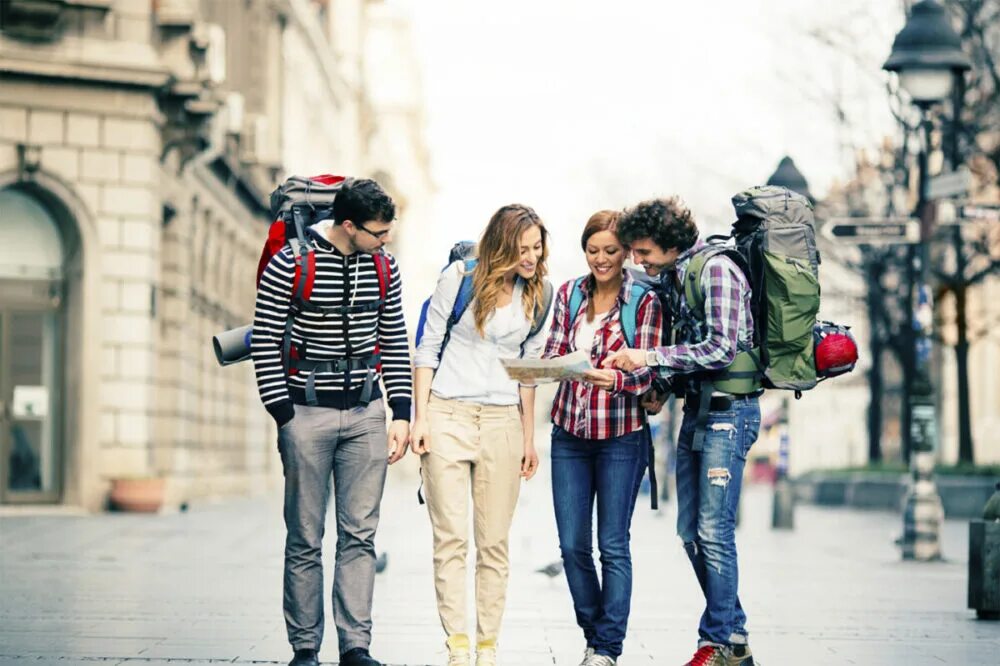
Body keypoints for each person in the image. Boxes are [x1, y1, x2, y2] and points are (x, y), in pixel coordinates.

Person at [251, 178, 412, 666]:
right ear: (348, 225)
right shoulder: (291, 264)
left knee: (360, 535)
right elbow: (264, 340)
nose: (385, 241)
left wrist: (401, 412)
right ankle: (304, 648)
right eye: (378, 233)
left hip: (366, 413)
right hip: (306, 413)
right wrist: (285, 416)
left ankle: (355, 646)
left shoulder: (385, 268)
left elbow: (395, 340)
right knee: (304, 537)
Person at [607, 197, 761, 666]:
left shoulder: (715, 270)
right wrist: (663, 388)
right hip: (698, 410)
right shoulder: (675, 277)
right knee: (690, 532)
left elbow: (719, 348)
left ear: (671, 244)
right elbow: (688, 350)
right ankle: (733, 636)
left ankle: (714, 643)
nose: (637, 260)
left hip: (730, 413)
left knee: (714, 530)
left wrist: (650, 360)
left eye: (644, 251)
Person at [411, 204, 551, 666]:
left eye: (537, 247)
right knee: (450, 538)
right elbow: (427, 350)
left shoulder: (540, 294)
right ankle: (458, 644)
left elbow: (527, 374)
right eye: (522, 248)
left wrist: (529, 439)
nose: (531, 257)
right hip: (447, 412)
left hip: (502, 421)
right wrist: (420, 419)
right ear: (501, 243)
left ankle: (487, 646)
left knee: (494, 542)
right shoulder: (459, 278)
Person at [544, 210, 664, 666]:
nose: (601, 259)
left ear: (626, 252)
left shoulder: (644, 300)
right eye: (593, 251)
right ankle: (595, 632)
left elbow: (651, 368)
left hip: (620, 435)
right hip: (569, 433)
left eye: (611, 251)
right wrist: (557, 365)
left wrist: (615, 381)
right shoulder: (570, 293)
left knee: (612, 544)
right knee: (573, 545)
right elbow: (554, 350)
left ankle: (606, 648)